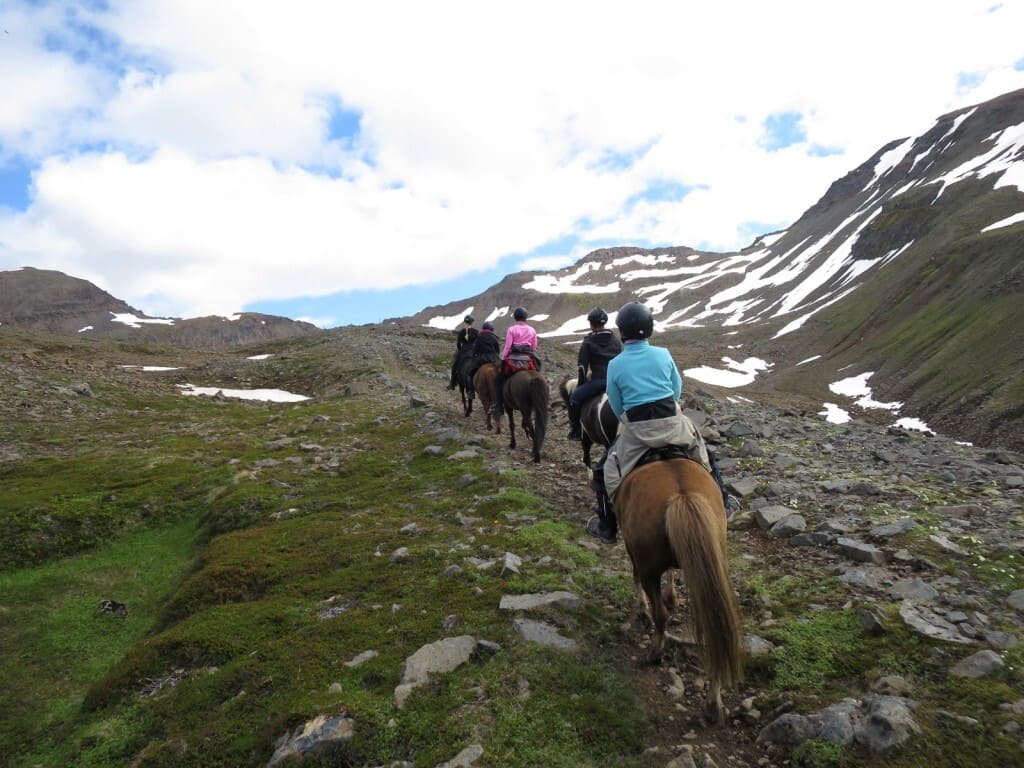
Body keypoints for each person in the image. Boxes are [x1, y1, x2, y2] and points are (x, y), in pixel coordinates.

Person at [586, 301, 723, 544]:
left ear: (622, 331)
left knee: (601, 473)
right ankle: (725, 501)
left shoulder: (615, 364)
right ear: (649, 328)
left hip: (637, 430)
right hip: (673, 423)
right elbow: (676, 389)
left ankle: (607, 527)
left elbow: (616, 404)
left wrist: (628, 419)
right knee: (707, 457)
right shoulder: (664, 354)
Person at [567, 307, 622, 441]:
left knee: (574, 399)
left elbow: (582, 368)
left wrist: (581, 385)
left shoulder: (588, 342)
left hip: (598, 381)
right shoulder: (615, 340)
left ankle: (576, 430)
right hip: (615, 382)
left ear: (591, 324)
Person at [489, 307, 538, 415]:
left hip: (513, 360)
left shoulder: (511, 329)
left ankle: (499, 406)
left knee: (498, 381)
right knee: (537, 372)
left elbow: (507, 346)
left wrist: (504, 358)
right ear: (526, 317)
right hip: (528, 360)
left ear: (515, 317)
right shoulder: (532, 330)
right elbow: (534, 346)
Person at [463, 320, 501, 395]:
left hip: (481, 359)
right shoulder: (494, 338)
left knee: (471, 372)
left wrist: (474, 356)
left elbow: (475, 349)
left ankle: (471, 391)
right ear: (491, 329)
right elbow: (497, 350)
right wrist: (495, 356)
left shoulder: (479, 337)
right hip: (493, 359)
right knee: (502, 372)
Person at [448, 315, 478, 389]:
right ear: (472, 322)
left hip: (464, 351)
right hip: (473, 351)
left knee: (455, 366)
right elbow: (478, 343)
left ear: (465, 322)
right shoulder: (476, 332)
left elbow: (458, 343)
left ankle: (452, 383)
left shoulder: (461, 332)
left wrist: (460, 351)